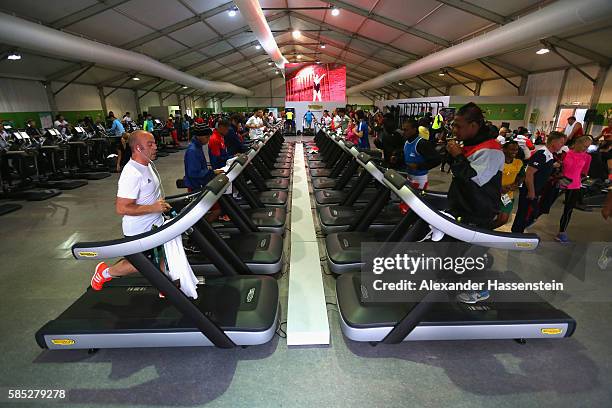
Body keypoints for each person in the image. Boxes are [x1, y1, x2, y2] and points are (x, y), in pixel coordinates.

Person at [90, 130, 171, 291]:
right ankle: (105, 272)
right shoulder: (131, 173)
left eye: (154, 143)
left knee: (165, 254)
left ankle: (166, 288)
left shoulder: (146, 165)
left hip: (155, 224)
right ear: (138, 148)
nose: (155, 147)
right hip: (139, 230)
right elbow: (122, 208)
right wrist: (153, 207)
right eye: (150, 144)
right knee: (140, 264)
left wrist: (159, 205)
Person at [445, 103, 505, 304]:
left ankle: (480, 290)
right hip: (464, 206)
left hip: (479, 210)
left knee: (471, 255)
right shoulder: (471, 143)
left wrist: (457, 156)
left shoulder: (491, 149)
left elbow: (472, 179)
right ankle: (452, 282)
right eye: (453, 125)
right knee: (456, 251)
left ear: (474, 125)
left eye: (458, 126)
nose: (454, 130)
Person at [511, 131, 566, 233]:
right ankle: (516, 233)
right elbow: (529, 174)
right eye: (561, 142)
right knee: (524, 214)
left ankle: (519, 231)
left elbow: (542, 168)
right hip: (530, 189)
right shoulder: (542, 154)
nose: (562, 145)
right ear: (553, 142)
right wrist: (531, 191)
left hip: (537, 189)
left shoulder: (550, 155)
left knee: (531, 214)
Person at [555, 135, 592, 242]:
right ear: (578, 143)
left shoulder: (587, 157)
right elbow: (558, 168)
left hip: (574, 185)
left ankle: (562, 232)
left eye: (587, 147)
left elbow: (584, 172)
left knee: (568, 210)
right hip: (560, 182)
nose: (585, 149)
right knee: (545, 204)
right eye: (584, 146)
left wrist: (578, 179)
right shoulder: (565, 153)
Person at [401, 118, 441, 190]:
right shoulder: (406, 142)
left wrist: (418, 166)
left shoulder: (421, 143)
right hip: (409, 177)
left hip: (419, 180)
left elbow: (437, 159)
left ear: (414, 129)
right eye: (402, 129)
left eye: (406, 130)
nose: (403, 132)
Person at [493, 141, 524, 228]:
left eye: (516, 150)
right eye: (512, 149)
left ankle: (487, 230)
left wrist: (516, 184)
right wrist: (499, 188)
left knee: (503, 220)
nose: (514, 152)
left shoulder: (518, 163)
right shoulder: (496, 162)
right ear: (504, 149)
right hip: (493, 194)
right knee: (489, 216)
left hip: (507, 196)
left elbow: (521, 176)